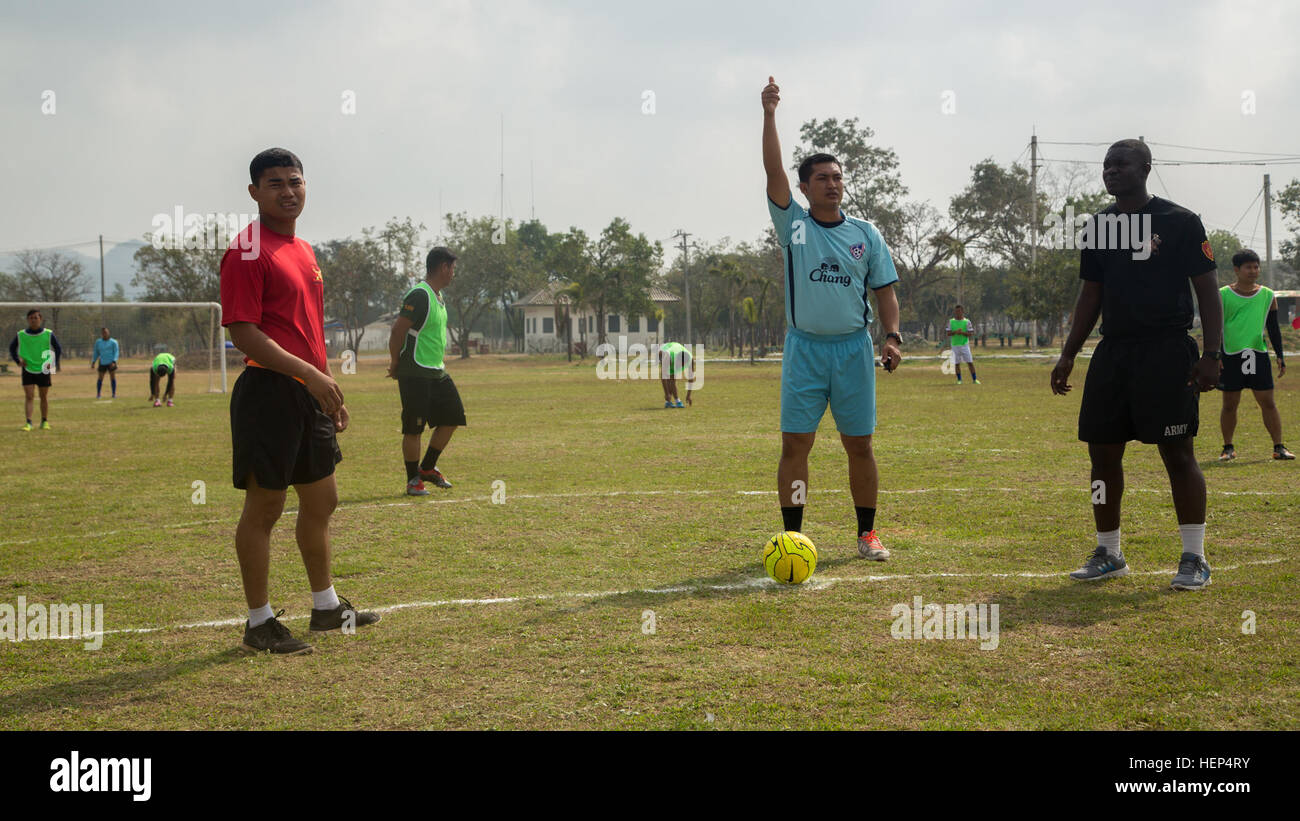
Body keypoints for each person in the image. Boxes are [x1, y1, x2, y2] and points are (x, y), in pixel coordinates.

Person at [220, 147, 379, 655]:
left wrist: (327, 390)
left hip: (308, 392)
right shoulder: (247, 251)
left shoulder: (305, 250)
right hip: (268, 391)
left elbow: (308, 331)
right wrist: (309, 375)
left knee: (322, 500)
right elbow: (244, 333)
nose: (288, 191)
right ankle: (258, 623)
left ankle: (326, 607)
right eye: (274, 184)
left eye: (295, 181)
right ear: (253, 193)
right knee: (265, 506)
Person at [1051, 139, 1223, 592]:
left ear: (1146, 168)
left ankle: (1194, 557)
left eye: (1121, 164)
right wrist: (1069, 353)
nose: (1111, 171)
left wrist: (1211, 354)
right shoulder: (1098, 227)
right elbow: (1091, 294)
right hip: (1115, 353)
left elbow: (1206, 288)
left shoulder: (1181, 221)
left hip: (1167, 351)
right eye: (1107, 165)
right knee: (1102, 452)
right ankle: (1109, 551)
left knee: (1178, 453)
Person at [761, 76, 903, 561]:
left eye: (838, 177)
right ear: (804, 188)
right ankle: (792, 538)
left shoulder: (866, 234)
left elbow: (885, 292)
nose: (832, 183)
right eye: (822, 178)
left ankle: (867, 535)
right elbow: (772, 169)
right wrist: (770, 114)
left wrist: (893, 337)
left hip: (853, 351)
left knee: (859, 446)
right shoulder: (793, 224)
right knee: (795, 445)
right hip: (804, 349)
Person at [388, 247, 466, 496]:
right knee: (414, 428)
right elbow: (397, 331)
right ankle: (413, 480)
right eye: (452, 268)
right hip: (415, 372)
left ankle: (428, 468)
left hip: (436, 371)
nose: (454, 273)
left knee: (453, 417)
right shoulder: (419, 295)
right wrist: (395, 362)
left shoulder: (438, 297)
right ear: (444, 267)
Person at [1216, 249, 1293, 461]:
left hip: (1257, 354)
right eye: (1248, 267)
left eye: (1256, 266)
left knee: (1268, 402)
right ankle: (1228, 448)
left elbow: (1273, 328)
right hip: (1231, 354)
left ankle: (1279, 447)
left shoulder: (1268, 295)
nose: (1253, 271)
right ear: (1236, 270)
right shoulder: (1222, 295)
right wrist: (1216, 355)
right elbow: (1214, 326)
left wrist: (1280, 355)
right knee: (1230, 403)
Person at [9, 309, 62, 431]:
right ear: (28, 320)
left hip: (44, 368)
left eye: (36, 318)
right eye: (31, 318)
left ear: (40, 319)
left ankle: (44, 421)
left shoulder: (48, 333)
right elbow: (12, 348)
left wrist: (52, 363)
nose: (33, 320)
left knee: (43, 396)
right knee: (29, 396)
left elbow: (58, 348)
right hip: (28, 368)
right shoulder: (21, 334)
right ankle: (28, 422)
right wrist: (18, 361)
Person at [947, 305, 979, 384]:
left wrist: (962, 333)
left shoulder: (967, 322)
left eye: (959, 311)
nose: (958, 313)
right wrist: (955, 332)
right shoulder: (951, 322)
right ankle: (959, 380)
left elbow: (970, 333)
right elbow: (948, 333)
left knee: (970, 362)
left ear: (962, 311)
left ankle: (974, 379)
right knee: (957, 363)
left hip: (964, 345)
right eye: (956, 311)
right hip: (955, 345)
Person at [657, 341, 694, 408]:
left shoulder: (690, 359)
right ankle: (675, 401)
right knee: (670, 378)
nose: (679, 367)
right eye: (678, 365)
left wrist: (688, 395)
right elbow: (663, 375)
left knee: (672, 379)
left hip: (674, 349)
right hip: (663, 350)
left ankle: (672, 401)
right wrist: (666, 393)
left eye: (681, 365)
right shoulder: (668, 356)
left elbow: (691, 378)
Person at [91, 327, 119, 399]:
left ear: (108, 333)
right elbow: (96, 353)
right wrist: (93, 361)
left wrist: (114, 361)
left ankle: (114, 394)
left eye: (106, 332)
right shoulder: (98, 342)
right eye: (103, 333)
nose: (104, 334)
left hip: (111, 363)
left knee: (112, 377)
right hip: (102, 362)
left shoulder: (114, 342)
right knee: (100, 378)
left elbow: (116, 352)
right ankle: (98, 394)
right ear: (101, 334)